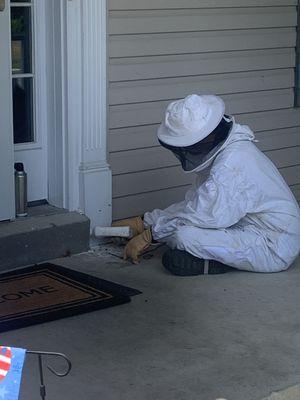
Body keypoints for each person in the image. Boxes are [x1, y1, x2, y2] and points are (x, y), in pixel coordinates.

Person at [113, 94, 300, 275]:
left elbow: (201, 216)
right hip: (245, 226)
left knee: (183, 237)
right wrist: (145, 221)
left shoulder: (230, 167)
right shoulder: (227, 153)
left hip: (273, 245)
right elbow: (195, 205)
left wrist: (151, 235)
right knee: (181, 230)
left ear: (206, 136)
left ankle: (216, 264)